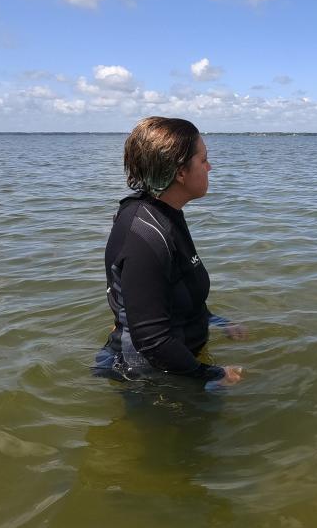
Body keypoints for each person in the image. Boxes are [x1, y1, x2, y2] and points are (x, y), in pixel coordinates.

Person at [94, 116, 245, 389]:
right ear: (180, 172)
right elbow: (152, 341)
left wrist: (216, 321)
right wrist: (213, 375)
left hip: (178, 367)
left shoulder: (165, 213)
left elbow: (178, 287)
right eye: (203, 160)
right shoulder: (144, 235)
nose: (210, 167)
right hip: (147, 380)